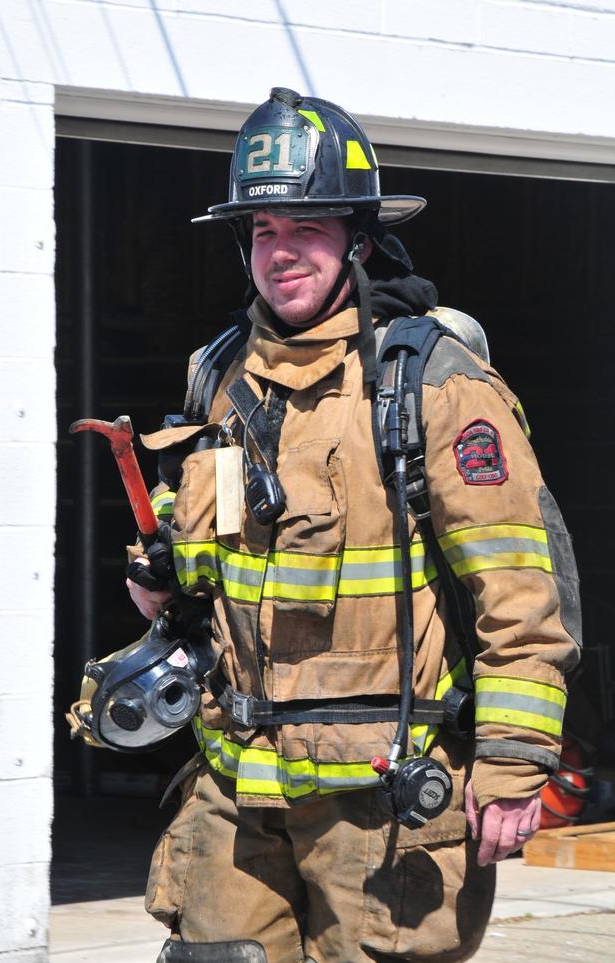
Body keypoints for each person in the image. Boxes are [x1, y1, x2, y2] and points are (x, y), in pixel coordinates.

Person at [126, 88, 581, 963]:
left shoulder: (436, 387)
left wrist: (515, 763)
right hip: (234, 784)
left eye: (307, 228)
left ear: (359, 241)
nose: (280, 251)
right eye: (262, 231)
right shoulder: (219, 379)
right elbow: (207, 551)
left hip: (379, 805)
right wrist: (159, 573)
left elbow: (522, 594)